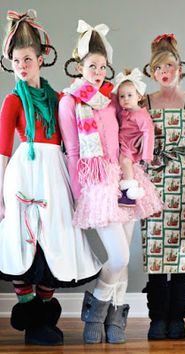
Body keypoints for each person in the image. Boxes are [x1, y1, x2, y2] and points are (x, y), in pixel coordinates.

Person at [0, 10, 101, 346]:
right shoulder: (12, 100)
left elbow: (71, 142)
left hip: (54, 174)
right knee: (26, 242)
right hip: (24, 175)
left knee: (56, 242)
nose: (21, 66)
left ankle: (44, 314)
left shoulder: (58, 98)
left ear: (41, 58)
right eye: (16, 60)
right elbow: (2, 151)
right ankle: (30, 316)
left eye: (27, 58)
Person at [59, 19, 162, 345]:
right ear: (79, 65)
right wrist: (80, 193)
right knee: (117, 257)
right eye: (92, 65)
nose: (99, 71)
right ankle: (95, 307)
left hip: (123, 177)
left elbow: (128, 128)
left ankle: (114, 315)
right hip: (95, 183)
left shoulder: (113, 97)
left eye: (103, 66)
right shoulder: (70, 101)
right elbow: (73, 151)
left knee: (126, 257)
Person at [141, 33, 185, 340]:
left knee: (182, 252)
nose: (166, 72)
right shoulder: (144, 101)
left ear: (180, 67)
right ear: (152, 70)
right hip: (154, 183)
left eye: (171, 65)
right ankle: (157, 318)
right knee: (156, 253)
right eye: (159, 67)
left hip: (184, 182)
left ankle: (178, 317)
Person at [112, 68, 155, 207]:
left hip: (131, 145)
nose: (125, 99)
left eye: (130, 95)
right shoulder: (124, 112)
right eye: (122, 96)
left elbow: (148, 132)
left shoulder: (141, 114)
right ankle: (125, 190)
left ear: (139, 96)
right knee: (120, 163)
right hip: (122, 142)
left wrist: (147, 154)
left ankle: (129, 193)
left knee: (125, 161)